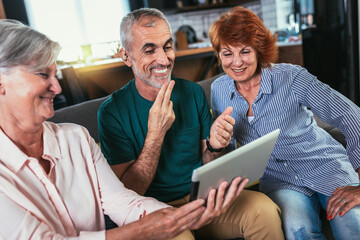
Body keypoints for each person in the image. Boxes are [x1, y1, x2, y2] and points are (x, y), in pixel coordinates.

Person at [0, 19, 250, 240]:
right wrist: (158, 225)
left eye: (57, 75)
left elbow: (123, 201)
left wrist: (181, 217)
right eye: (43, 74)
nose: (57, 87)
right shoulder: (112, 112)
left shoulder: (75, 138)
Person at [98, 8, 283, 240]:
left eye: (167, 46)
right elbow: (126, 194)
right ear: (126, 56)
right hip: (154, 210)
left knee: (263, 210)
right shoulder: (112, 113)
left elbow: (209, 160)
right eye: (149, 50)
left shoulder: (193, 93)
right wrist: (156, 134)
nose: (164, 59)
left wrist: (215, 146)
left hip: (202, 199)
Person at [209, 6, 360, 240]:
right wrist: (217, 143)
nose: (236, 62)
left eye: (245, 51)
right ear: (219, 55)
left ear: (259, 50)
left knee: (351, 222)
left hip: (325, 165)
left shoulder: (291, 77)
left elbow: (351, 116)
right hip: (280, 181)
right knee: (298, 230)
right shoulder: (218, 90)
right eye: (227, 53)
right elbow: (228, 154)